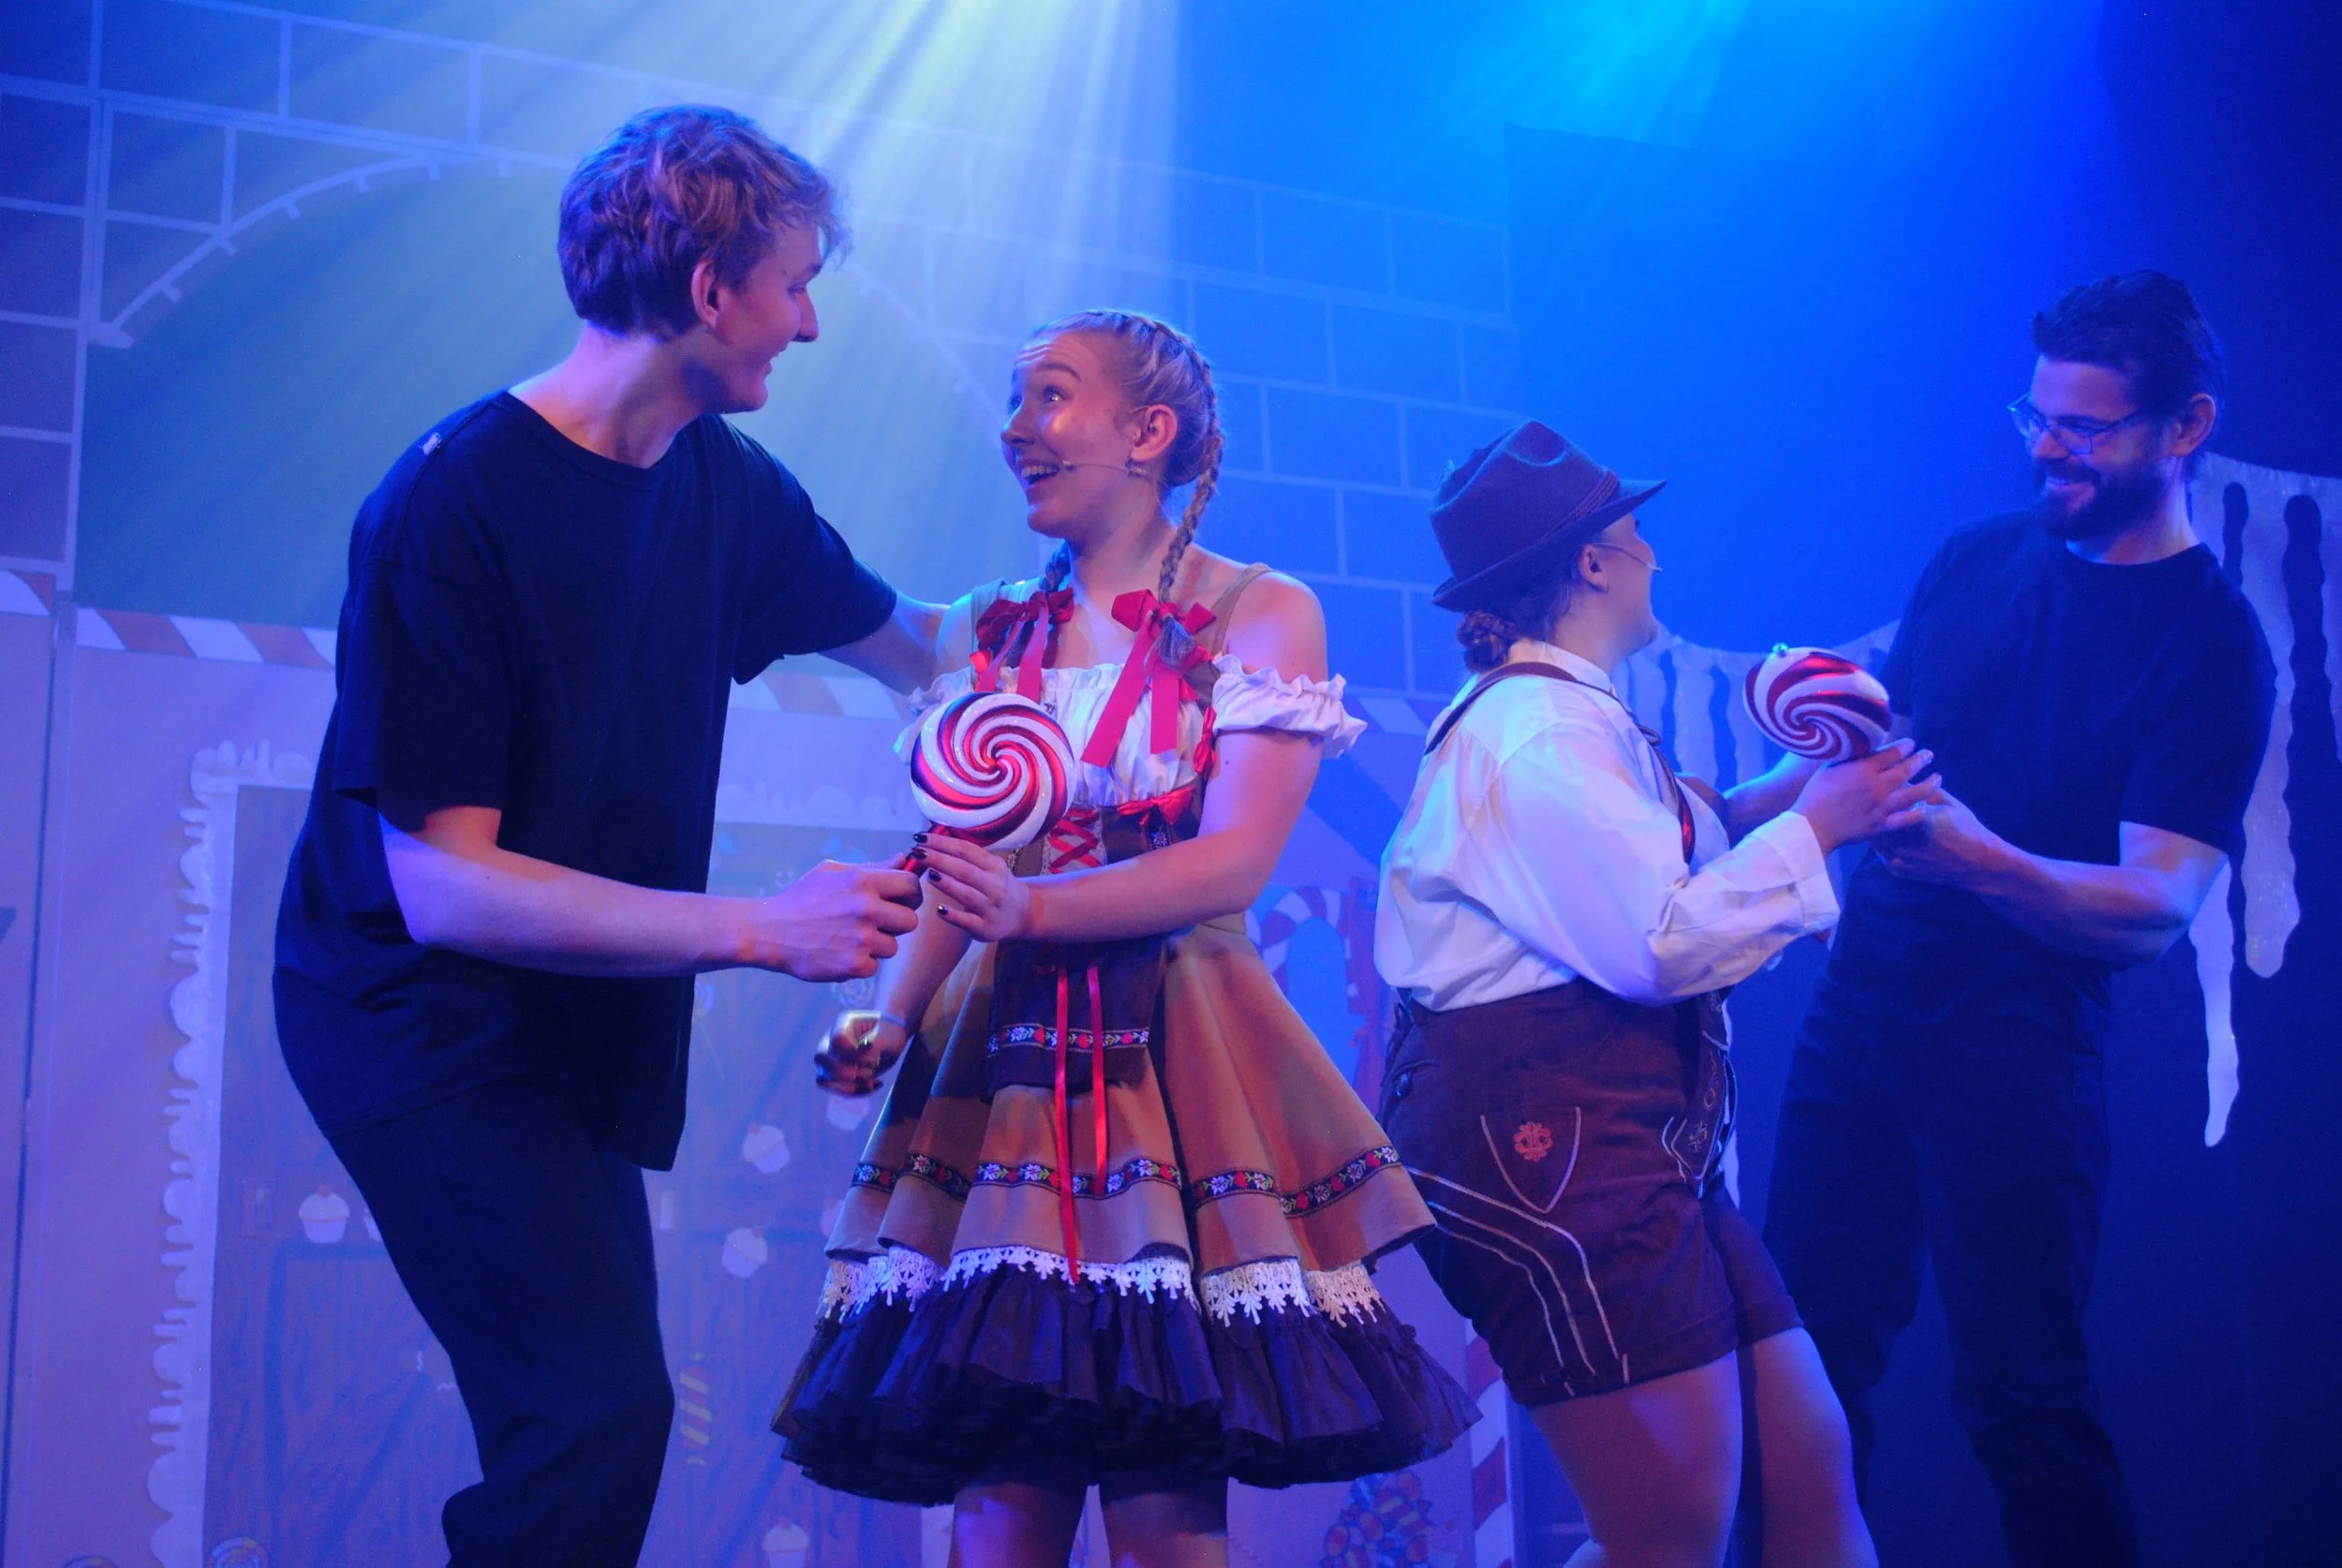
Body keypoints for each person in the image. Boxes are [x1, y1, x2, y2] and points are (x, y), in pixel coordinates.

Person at [272, 106, 940, 1565]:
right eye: (794, 284)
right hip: (418, 1010)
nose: (808, 323)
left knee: (595, 1415)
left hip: (563, 1013)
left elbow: (925, 653)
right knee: (591, 1412)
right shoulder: (451, 504)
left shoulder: (724, 483)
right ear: (710, 290)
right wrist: (763, 926)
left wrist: (1128, 616)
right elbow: (444, 887)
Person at [777, 309, 1474, 1567]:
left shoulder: (1257, 611)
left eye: (1049, 396)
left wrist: (1033, 908)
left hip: (1173, 1052)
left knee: (1165, 1485)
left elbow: (1230, 860)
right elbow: (962, 859)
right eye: (1015, 399)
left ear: (1149, 432)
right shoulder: (989, 629)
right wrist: (888, 1011)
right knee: (1001, 1467)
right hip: (1008, 1071)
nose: (1016, 429)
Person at [1760, 272, 2275, 1568]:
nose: (2049, 447)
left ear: (2185, 425)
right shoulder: (1976, 559)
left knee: (2023, 1395)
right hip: (1861, 1008)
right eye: (2037, 417)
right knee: (1801, 1368)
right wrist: (1719, 803)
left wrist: (1981, 860)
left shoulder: (2212, 646)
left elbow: (2155, 907)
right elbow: (1879, 753)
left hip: (2019, 1038)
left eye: (2087, 427)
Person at [1374, 420, 1934, 1568]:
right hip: (1552, 1159)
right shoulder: (1528, 734)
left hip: (1635, 1150)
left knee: (1801, 1462)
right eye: (1636, 535)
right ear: (1590, 561)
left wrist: (1796, 790)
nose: (1654, 557)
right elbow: (1657, 939)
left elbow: (1653, 848)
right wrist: (1823, 829)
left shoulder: (1569, 717)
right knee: (1669, 1529)